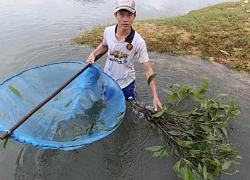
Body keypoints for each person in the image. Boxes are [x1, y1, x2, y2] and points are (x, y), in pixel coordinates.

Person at [86, 0, 162, 111]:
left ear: (134, 16)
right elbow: (105, 45)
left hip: (127, 83)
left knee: (128, 108)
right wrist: (93, 54)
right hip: (108, 80)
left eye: (129, 15)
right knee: (107, 105)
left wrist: (155, 96)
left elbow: (147, 69)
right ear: (115, 15)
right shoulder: (108, 31)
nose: (125, 19)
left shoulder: (138, 41)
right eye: (121, 14)